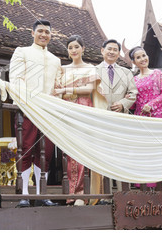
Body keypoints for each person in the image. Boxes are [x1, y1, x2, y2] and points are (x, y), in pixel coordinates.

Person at [9, 19, 62, 207]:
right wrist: (31, 101)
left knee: (45, 152)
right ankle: (24, 194)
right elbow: (16, 79)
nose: (43, 35)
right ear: (33, 33)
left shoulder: (56, 60)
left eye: (47, 32)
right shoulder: (21, 52)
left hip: (48, 112)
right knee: (26, 149)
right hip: (27, 108)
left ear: (50, 35)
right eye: (40, 31)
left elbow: (57, 87)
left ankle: (41, 193)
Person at [54, 35, 107, 206]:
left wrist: (67, 89)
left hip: (83, 109)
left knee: (83, 152)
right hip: (66, 111)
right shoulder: (62, 69)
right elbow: (56, 90)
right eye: (70, 47)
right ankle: (73, 194)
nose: (74, 50)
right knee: (70, 154)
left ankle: (83, 195)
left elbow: (89, 89)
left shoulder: (90, 68)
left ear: (83, 49)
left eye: (77, 46)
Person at [94, 39, 138, 203]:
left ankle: (121, 194)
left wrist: (123, 104)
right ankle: (105, 194)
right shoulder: (93, 71)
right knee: (103, 155)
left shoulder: (126, 73)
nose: (112, 52)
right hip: (100, 118)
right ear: (102, 51)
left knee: (119, 155)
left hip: (119, 119)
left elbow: (133, 93)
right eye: (109, 49)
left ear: (119, 53)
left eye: (115, 50)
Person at [128, 46, 162, 188]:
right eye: (138, 57)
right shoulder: (133, 80)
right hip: (140, 119)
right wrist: (128, 100)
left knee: (158, 151)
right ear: (134, 62)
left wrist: (151, 104)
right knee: (142, 152)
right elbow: (133, 105)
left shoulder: (157, 74)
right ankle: (142, 185)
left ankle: (160, 185)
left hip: (157, 117)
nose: (143, 59)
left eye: (144, 55)